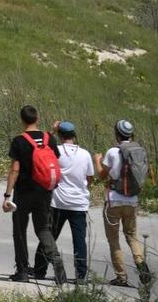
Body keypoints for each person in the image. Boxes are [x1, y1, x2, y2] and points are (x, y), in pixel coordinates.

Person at [2, 105, 66, 284]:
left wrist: (7, 195)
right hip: (45, 191)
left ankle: (22, 271)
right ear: (37, 118)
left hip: (23, 192)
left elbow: (15, 170)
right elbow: (53, 162)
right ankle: (56, 260)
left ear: (22, 120)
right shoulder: (49, 139)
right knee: (43, 229)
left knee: (20, 230)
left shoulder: (19, 141)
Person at [95, 120, 154, 288]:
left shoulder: (112, 152)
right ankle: (140, 263)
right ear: (131, 134)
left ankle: (121, 277)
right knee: (131, 236)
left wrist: (97, 160)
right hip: (132, 200)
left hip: (114, 201)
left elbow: (101, 175)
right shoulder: (138, 150)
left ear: (116, 134)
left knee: (113, 240)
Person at [33, 121, 93, 285]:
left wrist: (50, 132)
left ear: (60, 135)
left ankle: (40, 269)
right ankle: (81, 275)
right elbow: (89, 178)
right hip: (79, 203)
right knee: (79, 240)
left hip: (58, 201)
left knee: (49, 235)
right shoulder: (85, 154)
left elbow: (41, 149)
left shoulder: (55, 151)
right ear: (74, 135)